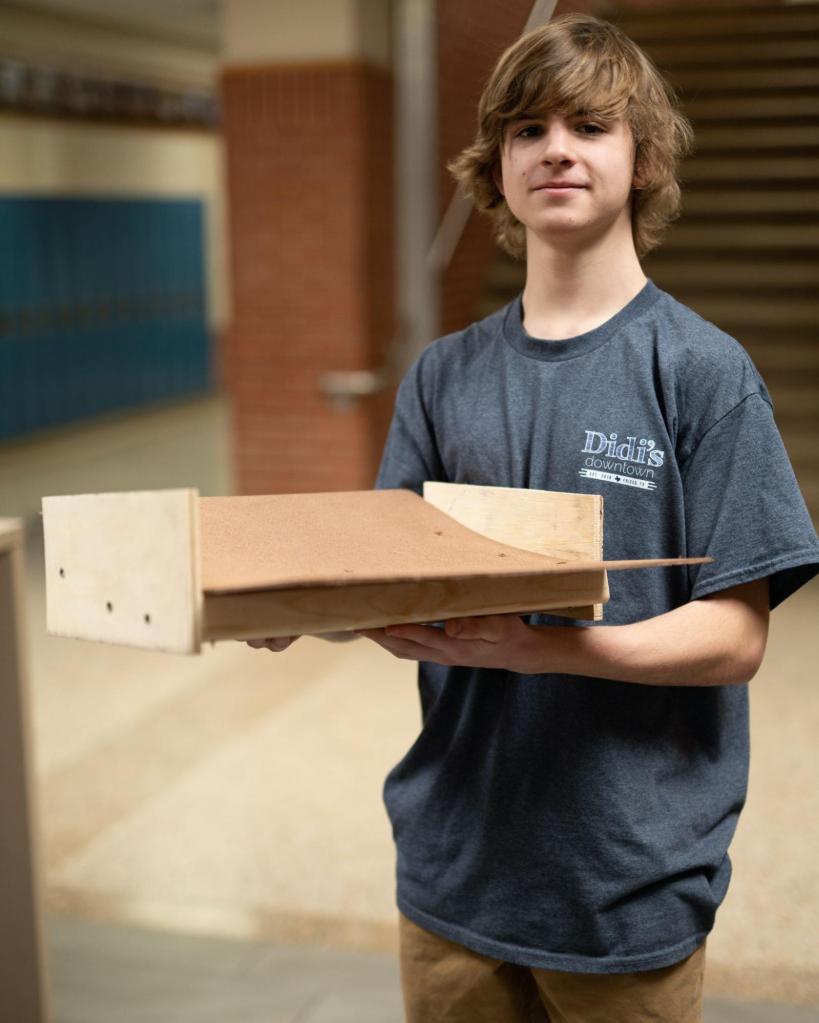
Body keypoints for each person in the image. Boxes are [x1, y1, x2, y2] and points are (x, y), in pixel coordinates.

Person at [249, 13, 819, 1022]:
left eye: (589, 126)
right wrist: (288, 601)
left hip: (622, 886)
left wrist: (539, 648)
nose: (555, 148)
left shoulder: (701, 372)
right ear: (498, 167)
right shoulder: (441, 375)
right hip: (453, 869)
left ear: (643, 161)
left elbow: (735, 638)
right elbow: (389, 575)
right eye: (527, 130)